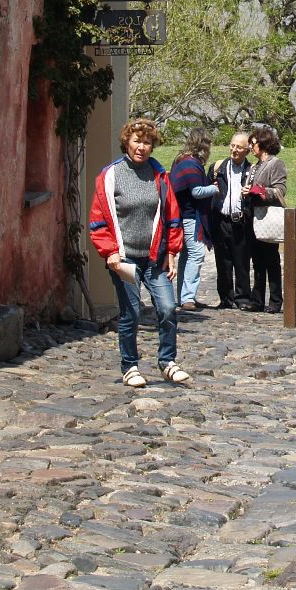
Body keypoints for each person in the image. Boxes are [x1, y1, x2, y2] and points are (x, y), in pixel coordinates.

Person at [89, 117, 190, 387]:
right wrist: (109, 253)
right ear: (127, 142)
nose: (142, 147)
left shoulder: (160, 176)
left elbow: (172, 216)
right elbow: (98, 220)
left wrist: (172, 251)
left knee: (168, 308)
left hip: (155, 257)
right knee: (131, 312)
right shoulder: (110, 176)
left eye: (147, 142)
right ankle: (130, 366)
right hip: (124, 258)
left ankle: (167, 361)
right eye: (137, 141)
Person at [169, 128, 216, 311]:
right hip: (190, 217)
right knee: (196, 255)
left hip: (183, 216)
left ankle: (184, 296)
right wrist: (215, 188)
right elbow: (196, 192)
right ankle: (187, 297)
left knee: (187, 256)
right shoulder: (191, 164)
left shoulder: (181, 160)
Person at [244, 126, 288, 314]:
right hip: (252, 216)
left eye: (253, 143)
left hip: (268, 217)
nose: (251, 147)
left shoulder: (275, 163)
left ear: (262, 143)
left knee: (271, 260)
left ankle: (276, 300)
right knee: (257, 261)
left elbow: (280, 190)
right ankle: (257, 299)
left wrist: (260, 191)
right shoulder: (254, 166)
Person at [210, 132, 255, 310]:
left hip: (241, 222)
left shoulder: (252, 170)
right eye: (232, 146)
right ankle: (226, 298)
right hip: (221, 220)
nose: (234, 150)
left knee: (242, 261)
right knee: (222, 262)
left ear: (247, 151)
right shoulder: (218, 167)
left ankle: (243, 297)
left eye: (239, 147)